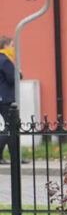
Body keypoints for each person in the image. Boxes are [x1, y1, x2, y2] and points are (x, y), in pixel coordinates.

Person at [0, 36, 26, 165]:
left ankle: (14, 157)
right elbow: (12, 78)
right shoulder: (5, 60)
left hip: (2, 98)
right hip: (6, 98)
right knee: (11, 127)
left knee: (9, 127)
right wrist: (19, 73)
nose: (13, 48)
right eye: (11, 45)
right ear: (5, 45)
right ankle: (15, 157)